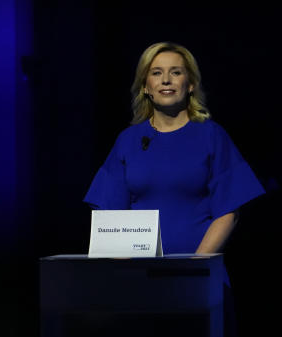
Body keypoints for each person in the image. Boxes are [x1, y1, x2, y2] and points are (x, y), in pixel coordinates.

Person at [85, 42, 264, 255]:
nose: (166, 80)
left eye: (176, 72)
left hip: (199, 277)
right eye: (156, 73)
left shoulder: (211, 136)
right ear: (145, 86)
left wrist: (196, 266)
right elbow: (108, 214)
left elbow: (229, 211)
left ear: (190, 84)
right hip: (139, 278)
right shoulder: (127, 140)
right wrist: (127, 270)